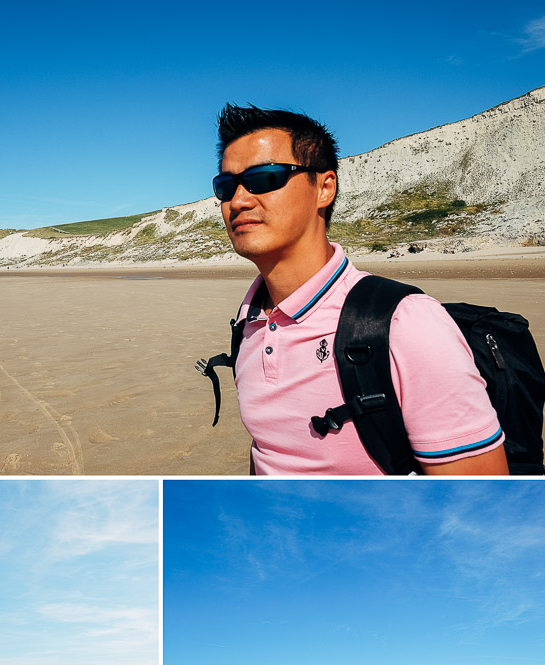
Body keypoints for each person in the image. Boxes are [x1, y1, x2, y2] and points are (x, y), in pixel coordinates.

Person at [213, 104, 509, 476]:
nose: (238, 200)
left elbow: (477, 500)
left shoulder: (406, 322)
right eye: (225, 187)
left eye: (265, 178)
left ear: (324, 188)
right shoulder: (248, 324)